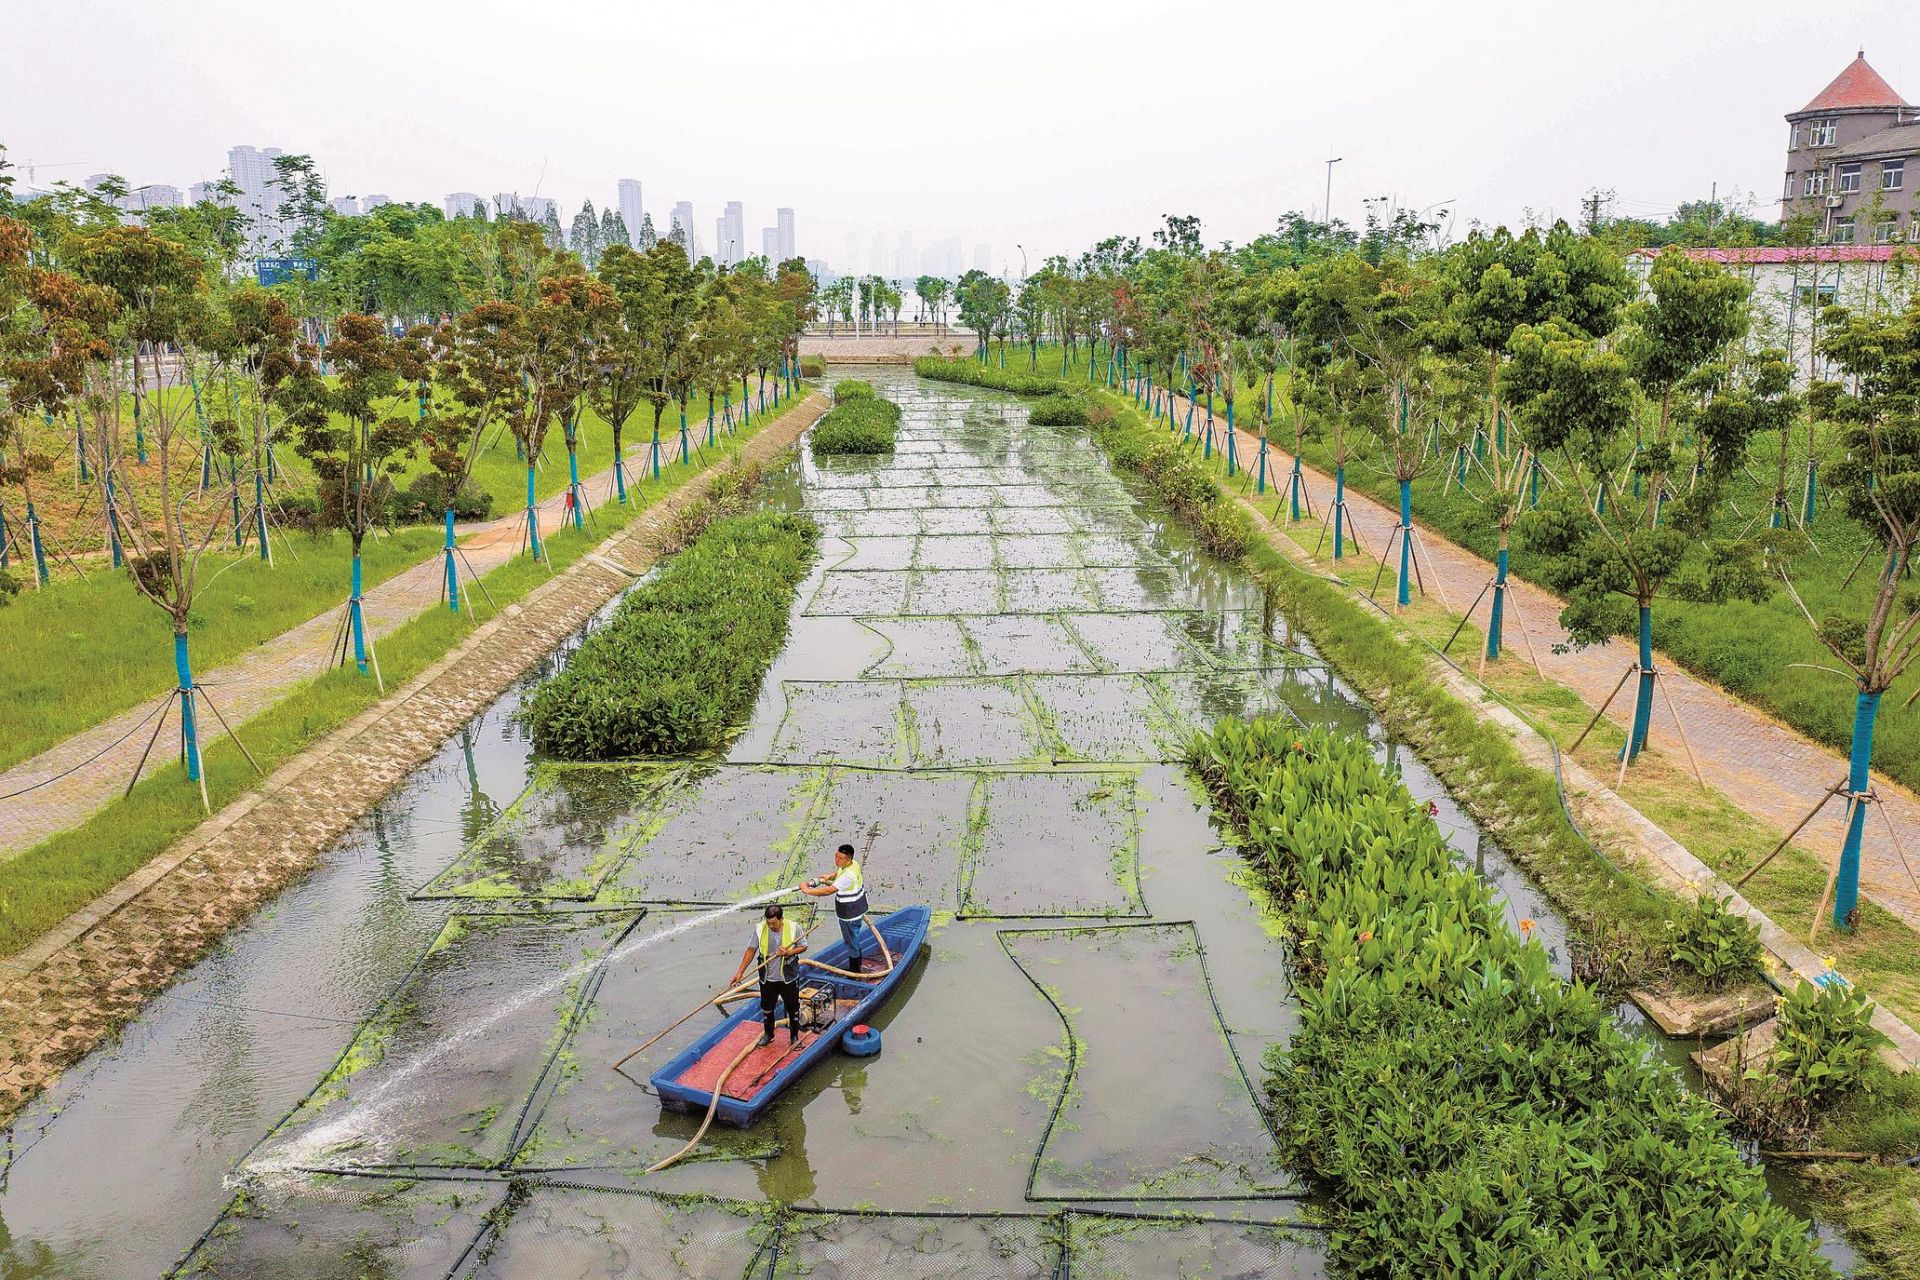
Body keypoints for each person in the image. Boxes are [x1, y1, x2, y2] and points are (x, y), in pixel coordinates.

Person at [730, 903, 807, 1048]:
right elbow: (751, 950)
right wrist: (740, 972)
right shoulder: (760, 929)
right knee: (767, 1007)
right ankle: (769, 1034)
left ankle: (794, 1036)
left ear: (781, 919)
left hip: (787, 976)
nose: (771, 926)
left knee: (793, 1007)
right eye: (768, 923)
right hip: (767, 977)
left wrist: (788, 952)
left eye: (774, 923)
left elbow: (803, 946)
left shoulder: (793, 927)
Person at [803, 843, 871, 970]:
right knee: (853, 937)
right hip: (858, 908)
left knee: (851, 941)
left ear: (848, 859)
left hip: (850, 913)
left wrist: (807, 891)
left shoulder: (848, 876)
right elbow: (838, 873)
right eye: (836, 856)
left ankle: (855, 970)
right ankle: (855, 962)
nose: (836, 860)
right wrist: (829, 876)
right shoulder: (853, 864)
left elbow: (828, 891)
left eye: (840, 858)